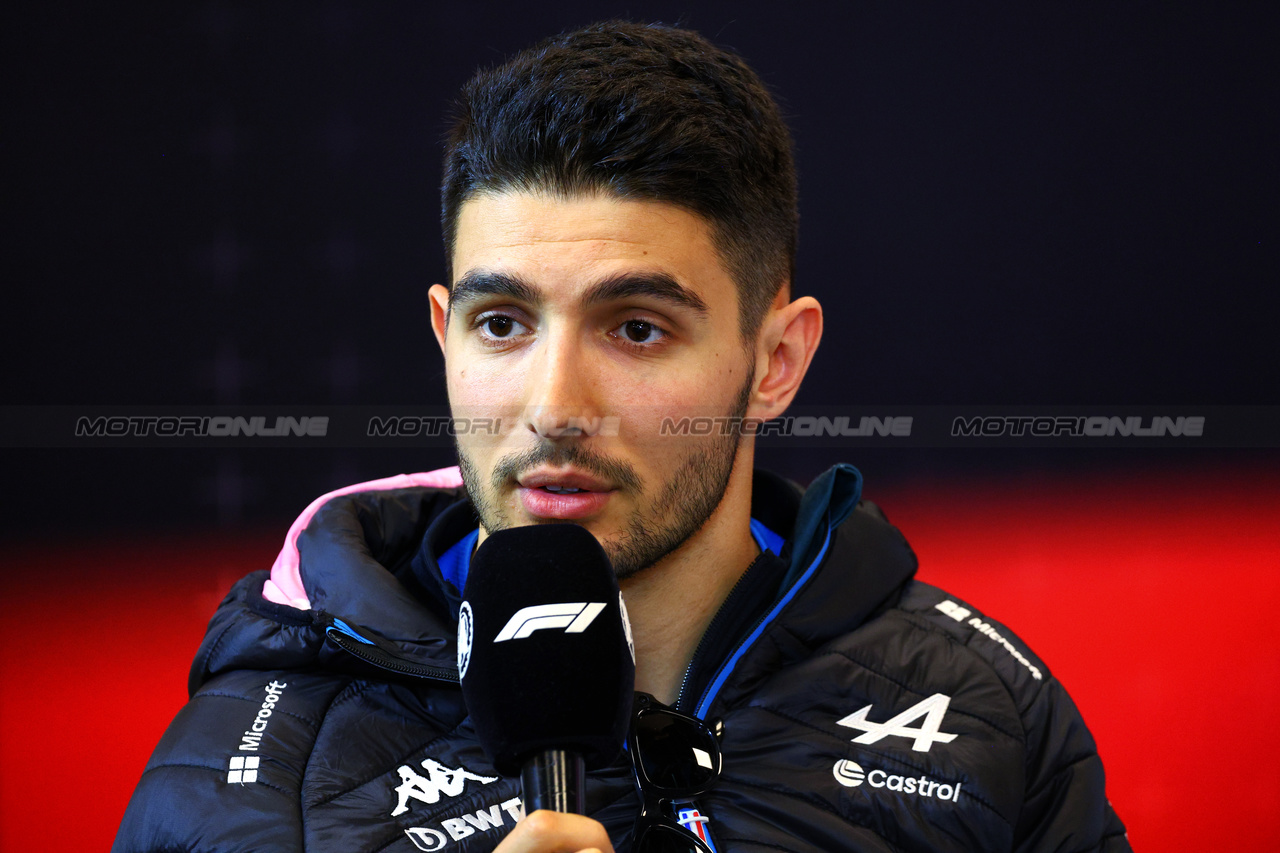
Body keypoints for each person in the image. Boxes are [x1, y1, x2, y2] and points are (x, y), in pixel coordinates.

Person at [114, 21, 1130, 853]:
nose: (553, 404)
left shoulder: (986, 714)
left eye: (635, 328)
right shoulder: (241, 784)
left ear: (773, 360)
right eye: (501, 324)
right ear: (443, 334)